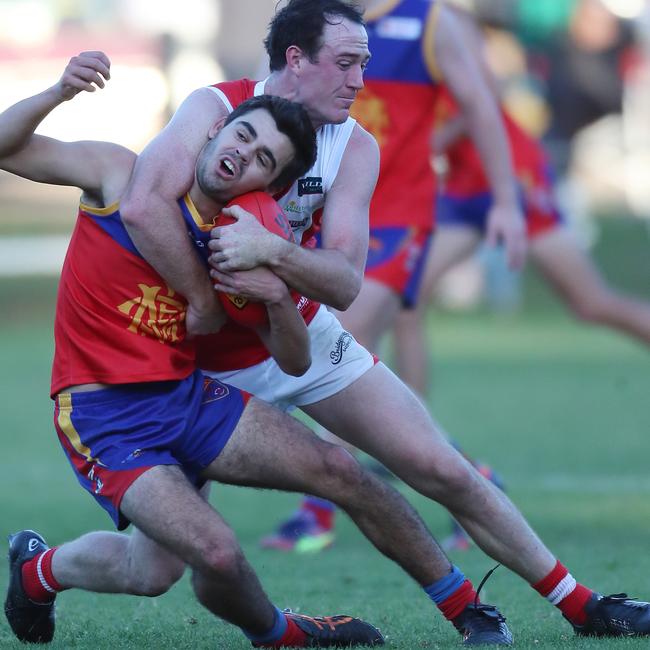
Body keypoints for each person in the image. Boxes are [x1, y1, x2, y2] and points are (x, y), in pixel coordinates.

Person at [116, 0, 650, 644]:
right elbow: (143, 204)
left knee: (444, 468)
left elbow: (343, 281)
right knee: (153, 570)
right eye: (346, 64)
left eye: (364, 64)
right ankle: (38, 571)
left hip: (300, 336)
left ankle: (582, 605)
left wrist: (275, 253)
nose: (360, 81)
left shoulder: (354, 144)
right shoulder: (213, 108)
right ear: (295, 59)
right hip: (199, 364)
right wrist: (204, 299)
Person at [1, 52, 396, 648]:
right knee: (211, 551)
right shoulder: (118, 173)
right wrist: (58, 90)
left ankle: (38, 569)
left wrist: (281, 292)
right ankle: (285, 637)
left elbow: (292, 358)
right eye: (242, 134)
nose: (243, 154)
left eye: (264, 158)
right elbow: (6, 149)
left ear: (271, 187)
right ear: (214, 130)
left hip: (187, 398)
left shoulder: (242, 241)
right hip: (103, 411)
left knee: (154, 570)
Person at [393, 3, 650, 408]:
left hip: (514, 176)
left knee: (591, 303)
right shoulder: (386, 20)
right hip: (463, 185)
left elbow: (487, 95)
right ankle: (407, 432)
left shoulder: (444, 20)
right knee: (407, 298)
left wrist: (429, 143)